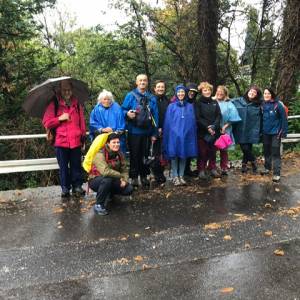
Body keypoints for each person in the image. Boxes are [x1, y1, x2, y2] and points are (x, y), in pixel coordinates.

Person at [43, 80, 86, 198]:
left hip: (76, 141)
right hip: (61, 141)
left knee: (76, 165)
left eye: (69, 90)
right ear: (60, 90)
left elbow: (82, 122)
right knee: (63, 167)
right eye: (64, 90)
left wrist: (83, 138)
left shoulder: (77, 103)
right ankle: (65, 188)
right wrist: (60, 119)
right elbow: (47, 123)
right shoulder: (54, 104)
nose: (67, 92)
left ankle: (77, 186)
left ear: (72, 90)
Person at [121, 74, 159, 188]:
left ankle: (144, 176)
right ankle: (133, 177)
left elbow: (155, 116)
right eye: (140, 80)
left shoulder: (152, 98)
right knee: (134, 155)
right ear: (136, 82)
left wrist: (154, 133)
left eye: (145, 80)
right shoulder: (130, 95)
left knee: (145, 155)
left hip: (147, 132)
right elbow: (122, 110)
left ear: (147, 82)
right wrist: (127, 114)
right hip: (134, 131)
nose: (143, 82)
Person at [88, 133, 133, 215]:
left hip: (112, 178)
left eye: (118, 142)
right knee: (107, 180)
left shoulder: (120, 154)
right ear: (108, 143)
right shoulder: (99, 153)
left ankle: (109, 193)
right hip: (96, 179)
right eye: (114, 142)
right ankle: (98, 204)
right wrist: (120, 176)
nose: (116, 144)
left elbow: (125, 169)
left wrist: (125, 180)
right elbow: (105, 171)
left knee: (128, 189)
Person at [163, 84, 198, 186]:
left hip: (186, 135)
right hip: (174, 136)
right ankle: (175, 176)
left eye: (182, 92)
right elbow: (168, 122)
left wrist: (189, 132)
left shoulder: (190, 106)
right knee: (174, 155)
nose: (181, 94)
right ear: (176, 93)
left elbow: (192, 122)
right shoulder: (171, 106)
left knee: (184, 155)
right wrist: (172, 133)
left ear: (185, 93)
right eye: (179, 92)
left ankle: (181, 176)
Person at [232, 85, 262, 174]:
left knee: (248, 147)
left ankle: (244, 164)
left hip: (251, 129)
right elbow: (226, 101)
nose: (252, 93)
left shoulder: (258, 104)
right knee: (245, 148)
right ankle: (253, 161)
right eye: (251, 91)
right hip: (240, 129)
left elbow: (270, 103)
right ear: (247, 91)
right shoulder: (238, 101)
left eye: (254, 92)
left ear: (257, 95)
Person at [260, 88, 288, 182]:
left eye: (268, 93)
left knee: (275, 153)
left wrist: (284, 131)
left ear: (272, 94)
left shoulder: (278, 104)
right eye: (265, 93)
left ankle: (276, 174)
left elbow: (284, 118)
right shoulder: (263, 104)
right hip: (265, 132)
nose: (266, 95)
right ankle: (267, 168)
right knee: (266, 151)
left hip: (276, 132)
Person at [195, 81, 222, 179]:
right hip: (203, 132)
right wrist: (207, 127)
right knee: (202, 152)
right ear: (201, 91)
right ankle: (201, 170)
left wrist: (214, 126)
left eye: (209, 90)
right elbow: (198, 117)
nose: (207, 92)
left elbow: (219, 115)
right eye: (205, 90)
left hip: (214, 131)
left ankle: (212, 168)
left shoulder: (214, 102)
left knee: (213, 151)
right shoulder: (198, 103)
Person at [214, 85, 241, 175]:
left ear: (225, 94)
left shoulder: (229, 104)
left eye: (222, 92)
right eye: (218, 91)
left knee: (223, 150)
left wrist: (225, 127)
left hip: (224, 129)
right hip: (213, 129)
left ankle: (224, 168)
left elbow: (234, 116)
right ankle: (212, 167)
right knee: (212, 149)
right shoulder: (212, 101)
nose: (220, 93)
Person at [151, 80, 169, 184]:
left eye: (162, 87)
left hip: (166, 130)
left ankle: (161, 173)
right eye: (158, 87)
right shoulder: (152, 100)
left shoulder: (167, 100)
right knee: (155, 153)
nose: (160, 89)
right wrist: (156, 129)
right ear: (155, 88)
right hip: (154, 130)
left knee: (163, 152)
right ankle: (156, 174)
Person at [184, 82, 199, 177]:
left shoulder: (195, 103)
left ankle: (187, 169)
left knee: (189, 149)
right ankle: (180, 171)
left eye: (194, 92)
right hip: (182, 130)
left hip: (193, 130)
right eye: (190, 91)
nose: (192, 93)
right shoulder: (181, 101)